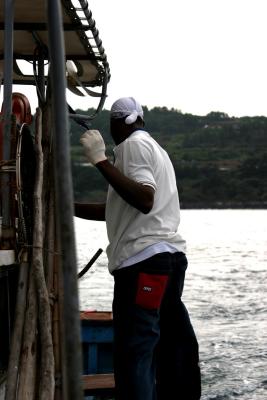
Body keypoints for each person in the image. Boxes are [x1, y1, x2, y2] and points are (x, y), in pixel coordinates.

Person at [75, 97, 201, 400]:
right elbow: (117, 209)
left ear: (118, 124)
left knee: (135, 352)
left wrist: (100, 160)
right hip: (167, 261)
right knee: (168, 347)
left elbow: (144, 199)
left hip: (144, 263)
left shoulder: (132, 146)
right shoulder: (156, 150)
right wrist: (68, 206)